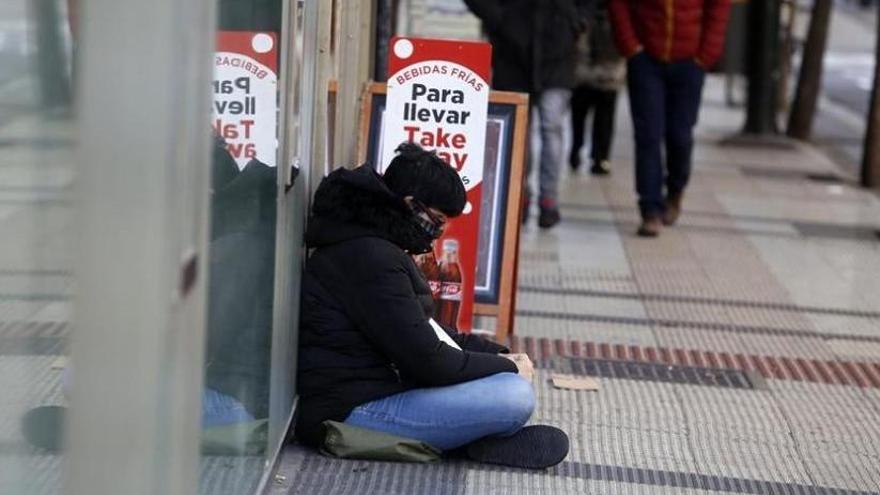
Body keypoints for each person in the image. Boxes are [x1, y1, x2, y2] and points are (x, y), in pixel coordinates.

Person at [295, 143, 569, 468]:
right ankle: (465, 441)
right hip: (348, 410)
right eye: (437, 219)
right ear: (410, 204)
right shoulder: (371, 256)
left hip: (376, 390)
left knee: (501, 380)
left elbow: (430, 331)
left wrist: (496, 353)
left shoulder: (375, 245)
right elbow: (429, 361)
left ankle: (466, 436)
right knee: (513, 396)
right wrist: (509, 367)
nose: (440, 231)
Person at [463, 0, 592, 229]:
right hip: (513, 53)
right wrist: (499, 20)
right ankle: (519, 194)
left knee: (551, 128)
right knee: (517, 132)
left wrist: (578, 19)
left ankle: (548, 198)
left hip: (558, 52)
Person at [609, 0, 731, 237]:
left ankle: (675, 190)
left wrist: (706, 55)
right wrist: (630, 46)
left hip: (690, 61)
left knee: (680, 136)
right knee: (648, 136)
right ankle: (650, 209)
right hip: (646, 59)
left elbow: (719, 7)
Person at [569, 0, 626, 176]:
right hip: (585, 63)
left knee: (603, 116)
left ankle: (599, 156)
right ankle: (580, 150)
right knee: (583, 113)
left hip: (608, 64)